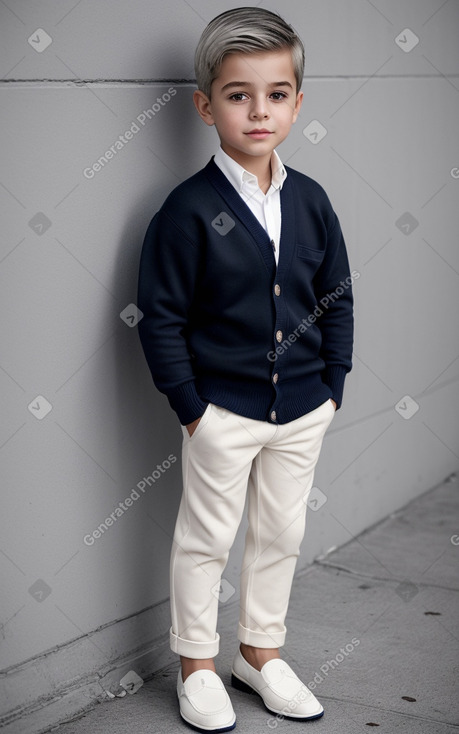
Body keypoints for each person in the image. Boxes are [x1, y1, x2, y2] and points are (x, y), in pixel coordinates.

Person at [137, 7, 354, 731]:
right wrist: (191, 406)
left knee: (280, 534)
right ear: (205, 105)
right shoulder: (187, 210)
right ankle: (197, 663)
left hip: (302, 409)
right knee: (206, 540)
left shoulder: (312, 200)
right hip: (221, 412)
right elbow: (159, 316)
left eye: (276, 93)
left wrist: (333, 387)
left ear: (296, 102)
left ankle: (259, 654)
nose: (258, 110)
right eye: (237, 94)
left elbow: (335, 298)